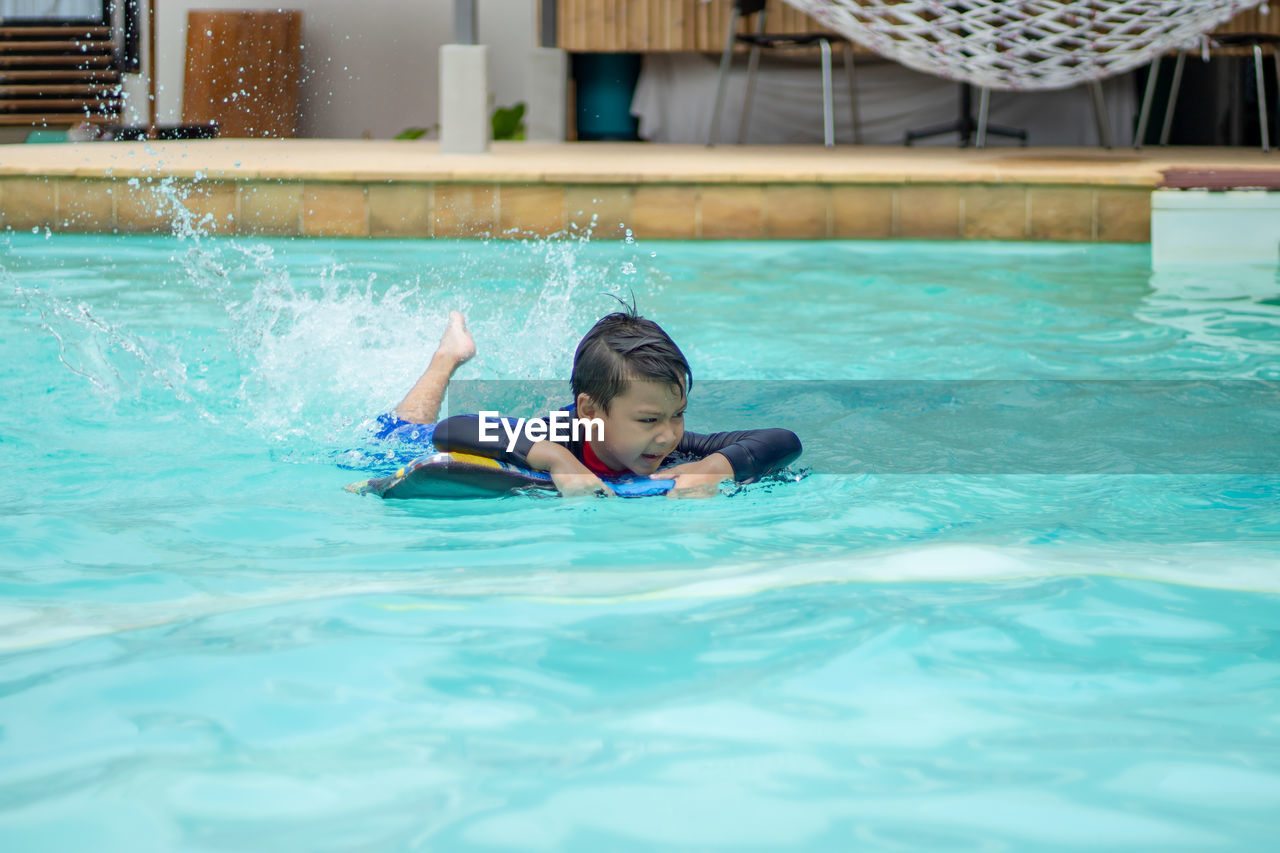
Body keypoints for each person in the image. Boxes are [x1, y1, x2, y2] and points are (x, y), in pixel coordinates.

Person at [378, 309, 802, 498]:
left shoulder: (674, 447)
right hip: (397, 446)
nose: (668, 434)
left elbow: (783, 440)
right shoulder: (560, 434)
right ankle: (447, 357)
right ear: (590, 412)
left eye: (678, 414)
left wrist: (713, 468)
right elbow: (452, 430)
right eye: (649, 419)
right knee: (403, 429)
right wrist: (557, 461)